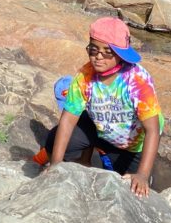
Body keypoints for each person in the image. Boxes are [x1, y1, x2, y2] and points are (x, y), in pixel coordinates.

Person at [41, 16, 163, 198]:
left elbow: (153, 130)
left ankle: (130, 165)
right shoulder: (84, 76)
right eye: (93, 49)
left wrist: (143, 174)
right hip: (101, 128)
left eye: (107, 52)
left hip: (132, 143)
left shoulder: (137, 80)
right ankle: (85, 159)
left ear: (121, 54)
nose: (98, 56)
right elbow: (67, 120)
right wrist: (56, 164)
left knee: (130, 187)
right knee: (53, 139)